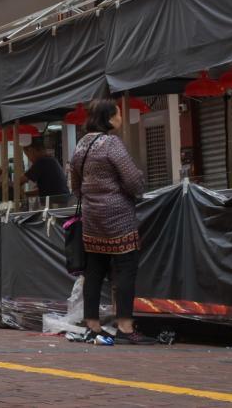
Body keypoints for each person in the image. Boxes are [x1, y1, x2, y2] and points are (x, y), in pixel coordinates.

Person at [70, 99, 155, 345]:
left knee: (94, 270)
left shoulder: (81, 145)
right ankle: (126, 327)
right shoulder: (111, 144)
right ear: (108, 118)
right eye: (118, 114)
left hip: (92, 218)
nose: (121, 117)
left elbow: (75, 186)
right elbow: (133, 181)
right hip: (118, 218)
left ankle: (93, 326)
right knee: (126, 267)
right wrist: (134, 190)